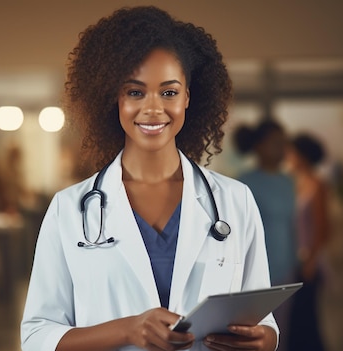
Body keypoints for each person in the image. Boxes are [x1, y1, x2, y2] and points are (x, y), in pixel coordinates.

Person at [21, 6, 277, 351]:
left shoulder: (235, 200)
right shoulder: (69, 209)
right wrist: (127, 331)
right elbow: (36, 336)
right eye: (135, 92)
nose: (153, 108)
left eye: (169, 92)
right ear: (114, 98)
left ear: (188, 96)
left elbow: (262, 317)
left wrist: (266, 339)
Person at [233, 119, 297, 351]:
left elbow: (291, 224)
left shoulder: (288, 181)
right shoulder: (244, 184)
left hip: (286, 269)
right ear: (259, 146)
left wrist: (297, 261)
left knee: (282, 334)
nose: (281, 149)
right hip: (257, 271)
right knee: (255, 335)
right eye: (275, 143)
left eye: (284, 143)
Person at [286, 133, 329, 351]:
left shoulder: (316, 184)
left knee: (306, 321)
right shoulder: (292, 183)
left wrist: (310, 261)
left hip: (309, 264)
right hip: (294, 261)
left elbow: (322, 227)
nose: (288, 157)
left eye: (292, 152)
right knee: (297, 322)